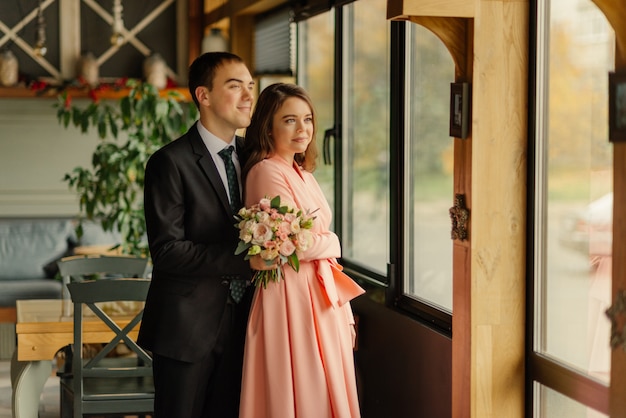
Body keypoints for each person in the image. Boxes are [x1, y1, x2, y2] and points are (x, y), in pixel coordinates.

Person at [137, 52, 259, 418]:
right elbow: (168, 251)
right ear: (203, 95)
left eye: (250, 86)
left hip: (248, 325)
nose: (248, 96)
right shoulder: (169, 163)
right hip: (186, 330)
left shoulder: (255, 160)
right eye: (235, 86)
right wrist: (246, 259)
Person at [239, 83, 365, 418]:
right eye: (290, 120)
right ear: (268, 126)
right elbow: (293, 243)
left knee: (327, 386)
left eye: (307, 119)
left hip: (318, 291)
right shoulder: (265, 171)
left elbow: (309, 239)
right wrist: (333, 241)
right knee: (302, 386)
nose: (303, 129)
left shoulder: (302, 173)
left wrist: (322, 243)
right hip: (290, 295)